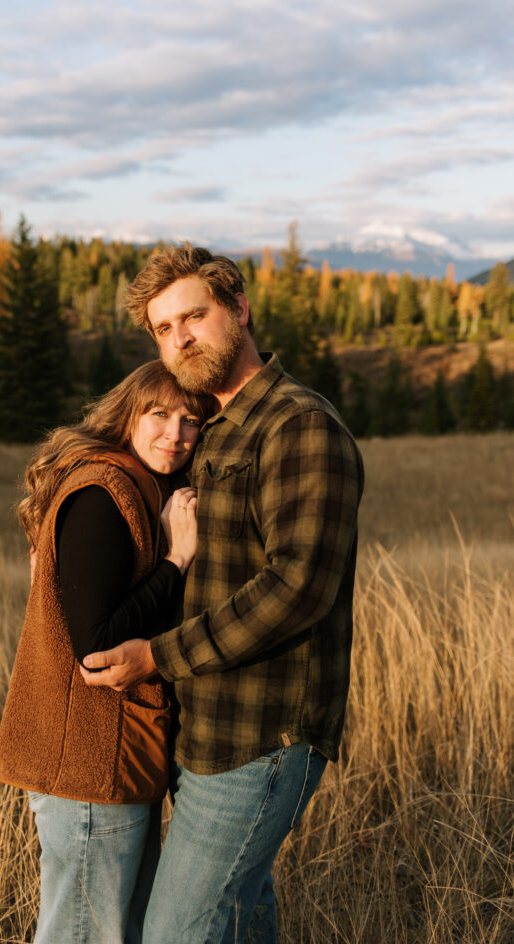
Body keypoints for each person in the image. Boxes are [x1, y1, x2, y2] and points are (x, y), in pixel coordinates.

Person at [81, 244, 365, 944]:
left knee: (176, 932)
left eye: (193, 316)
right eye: (162, 328)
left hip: (261, 734)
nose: (179, 338)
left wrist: (156, 656)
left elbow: (298, 586)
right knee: (239, 921)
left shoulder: (297, 424)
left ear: (238, 310)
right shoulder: (207, 428)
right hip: (202, 728)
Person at [0, 360, 215, 944]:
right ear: (127, 416)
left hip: (113, 758)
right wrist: (177, 559)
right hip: (89, 764)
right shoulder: (102, 493)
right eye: (159, 414)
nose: (176, 434)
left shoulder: (137, 486)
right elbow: (97, 646)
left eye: (191, 420)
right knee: (84, 935)